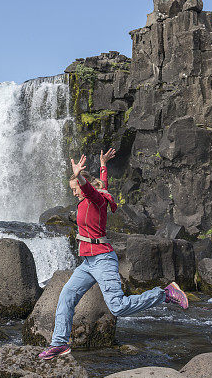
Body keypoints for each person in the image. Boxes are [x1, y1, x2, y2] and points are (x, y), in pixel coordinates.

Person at [38, 148, 189, 360]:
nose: (74, 193)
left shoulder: (95, 200)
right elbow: (102, 185)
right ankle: (59, 344)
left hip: (103, 259)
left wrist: (79, 176)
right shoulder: (92, 198)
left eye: (75, 189)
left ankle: (164, 294)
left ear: (83, 187)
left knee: (117, 307)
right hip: (88, 263)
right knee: (66, 296)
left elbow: (92, 190)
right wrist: (103, 165)